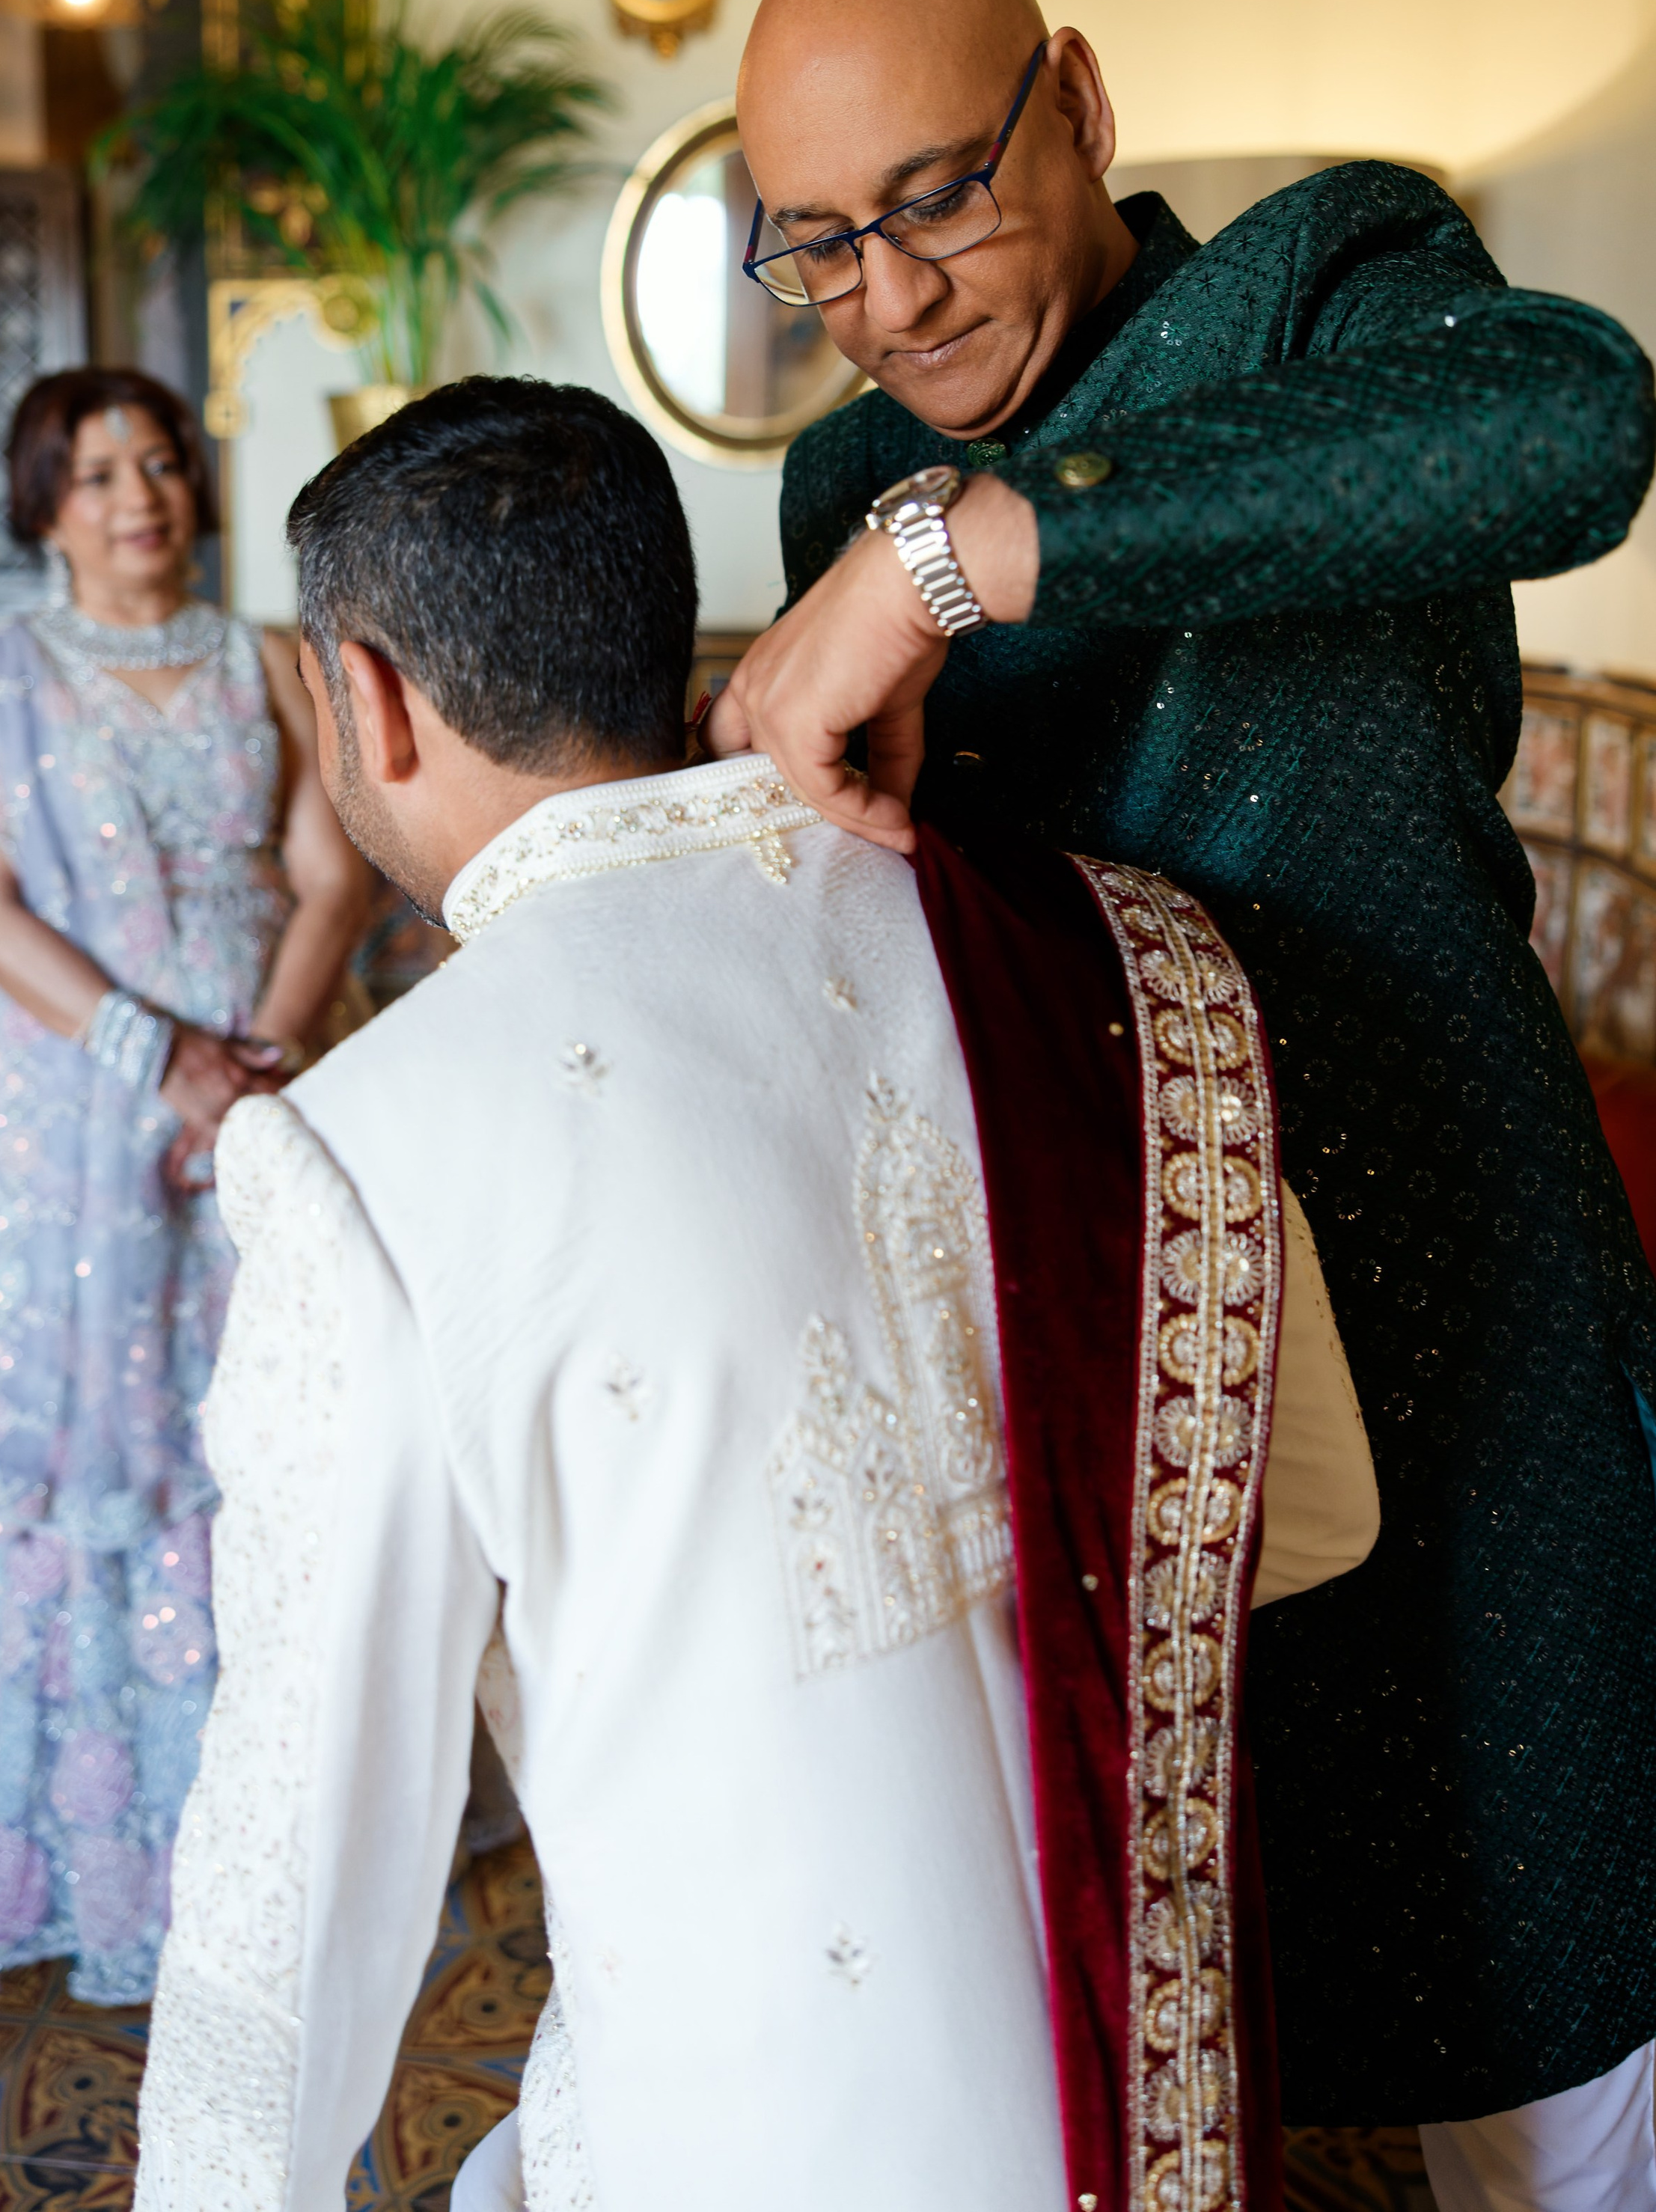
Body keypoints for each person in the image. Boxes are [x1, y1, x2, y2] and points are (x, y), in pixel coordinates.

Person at [132, 376, 1378, 2212]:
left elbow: (301, 1873)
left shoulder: (362, 1162)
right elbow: (1312, 1507)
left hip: (735, 2133)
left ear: (367, 700)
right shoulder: (1104, 953)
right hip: (1153, 2099)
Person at [710, 0, 1656, 2196]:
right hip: (1135, 1387)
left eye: (939, 194)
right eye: (819, 245)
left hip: (1462, 1307)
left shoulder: (1330, 284)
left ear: (1086, 100)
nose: (896, 298)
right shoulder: (842, 483)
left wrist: (975, 561)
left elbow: (1581, 423)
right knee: (1172, 2056)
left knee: (1558, 2015)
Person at [0, 367, 372, 2003]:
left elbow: (334, 863)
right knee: (70, 1444)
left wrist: (257, 1059)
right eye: (98, 471)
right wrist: (163, 1063)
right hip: (55, 1115)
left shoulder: (269, 660)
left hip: (258, 1084)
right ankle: (62, 1837)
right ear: (42, 507)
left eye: (160, 462)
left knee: (260, 1421)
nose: (140, 494)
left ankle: (282, 1821)